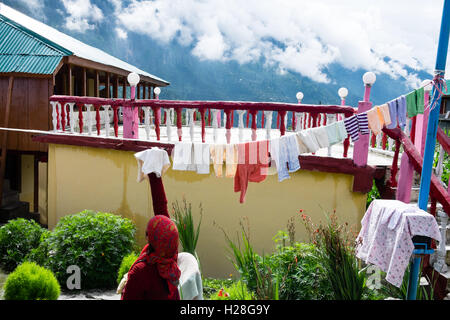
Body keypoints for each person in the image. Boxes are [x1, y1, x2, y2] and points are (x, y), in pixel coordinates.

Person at [121, 215, 181, 300]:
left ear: (150, 239)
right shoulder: (172, 269)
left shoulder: (141, 271)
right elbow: (166, 231)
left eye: (147, 234)